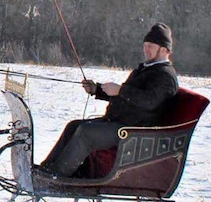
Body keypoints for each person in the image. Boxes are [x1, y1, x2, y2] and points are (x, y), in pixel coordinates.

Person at [40, 23, 179, 178]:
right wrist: (97, 90)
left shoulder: (165, 76)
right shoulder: (147, 69)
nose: (146, 50)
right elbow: (127, 97)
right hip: (121, 123)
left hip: (136, 131)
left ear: (165, 50)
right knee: (74, 126)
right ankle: (46, 170)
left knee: (86, 133)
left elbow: (149, 101)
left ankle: (56, 176)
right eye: (145, 45)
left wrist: (120, 90)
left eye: (150, 46)